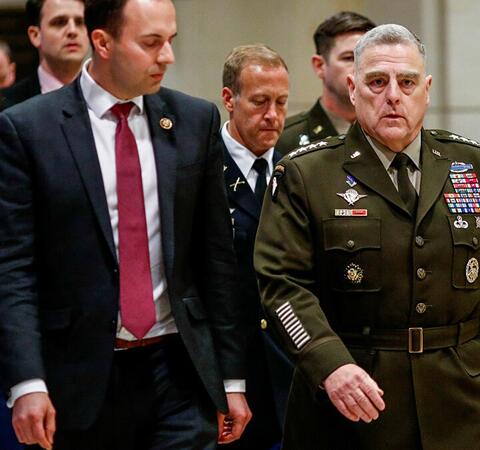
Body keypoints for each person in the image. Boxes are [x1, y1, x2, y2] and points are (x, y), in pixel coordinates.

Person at [255, 23, 480, 450]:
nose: (393, 95)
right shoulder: (306, 175)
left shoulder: (477, 166)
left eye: (407, 82)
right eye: (377, 82)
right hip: (354, 403)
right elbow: (281, 287)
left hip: (465, 400)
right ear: (353, 89)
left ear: (426, 89)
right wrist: (328, 363)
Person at [0, 1, 251, 449]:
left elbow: (216, 259)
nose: (166, 56)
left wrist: (231, 379)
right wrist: (27, 381)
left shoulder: (196, 120)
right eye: (151, 43)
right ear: (102, 42)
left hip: (178, 370)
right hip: (78, 376)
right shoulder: (28, 128)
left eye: (170, 41)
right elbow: (13, 268)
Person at [219, 43, 294, 450]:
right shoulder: (200, 167)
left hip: (290, 367)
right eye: (260, 101)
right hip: (230, 366)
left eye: (281, 102)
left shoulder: (296, 169)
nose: (272, 115)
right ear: (229, 99)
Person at [273, 11, 375, 154]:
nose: (360, 68)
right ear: (319, 65)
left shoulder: (390, 133)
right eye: (348, 58)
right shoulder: (283, 140)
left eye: (367, 59)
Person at [0, 0, 89, 110]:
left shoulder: (105, 95)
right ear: (35, 35)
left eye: (80, 22)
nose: (72, 31)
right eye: (60, 22)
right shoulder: (6, 105)